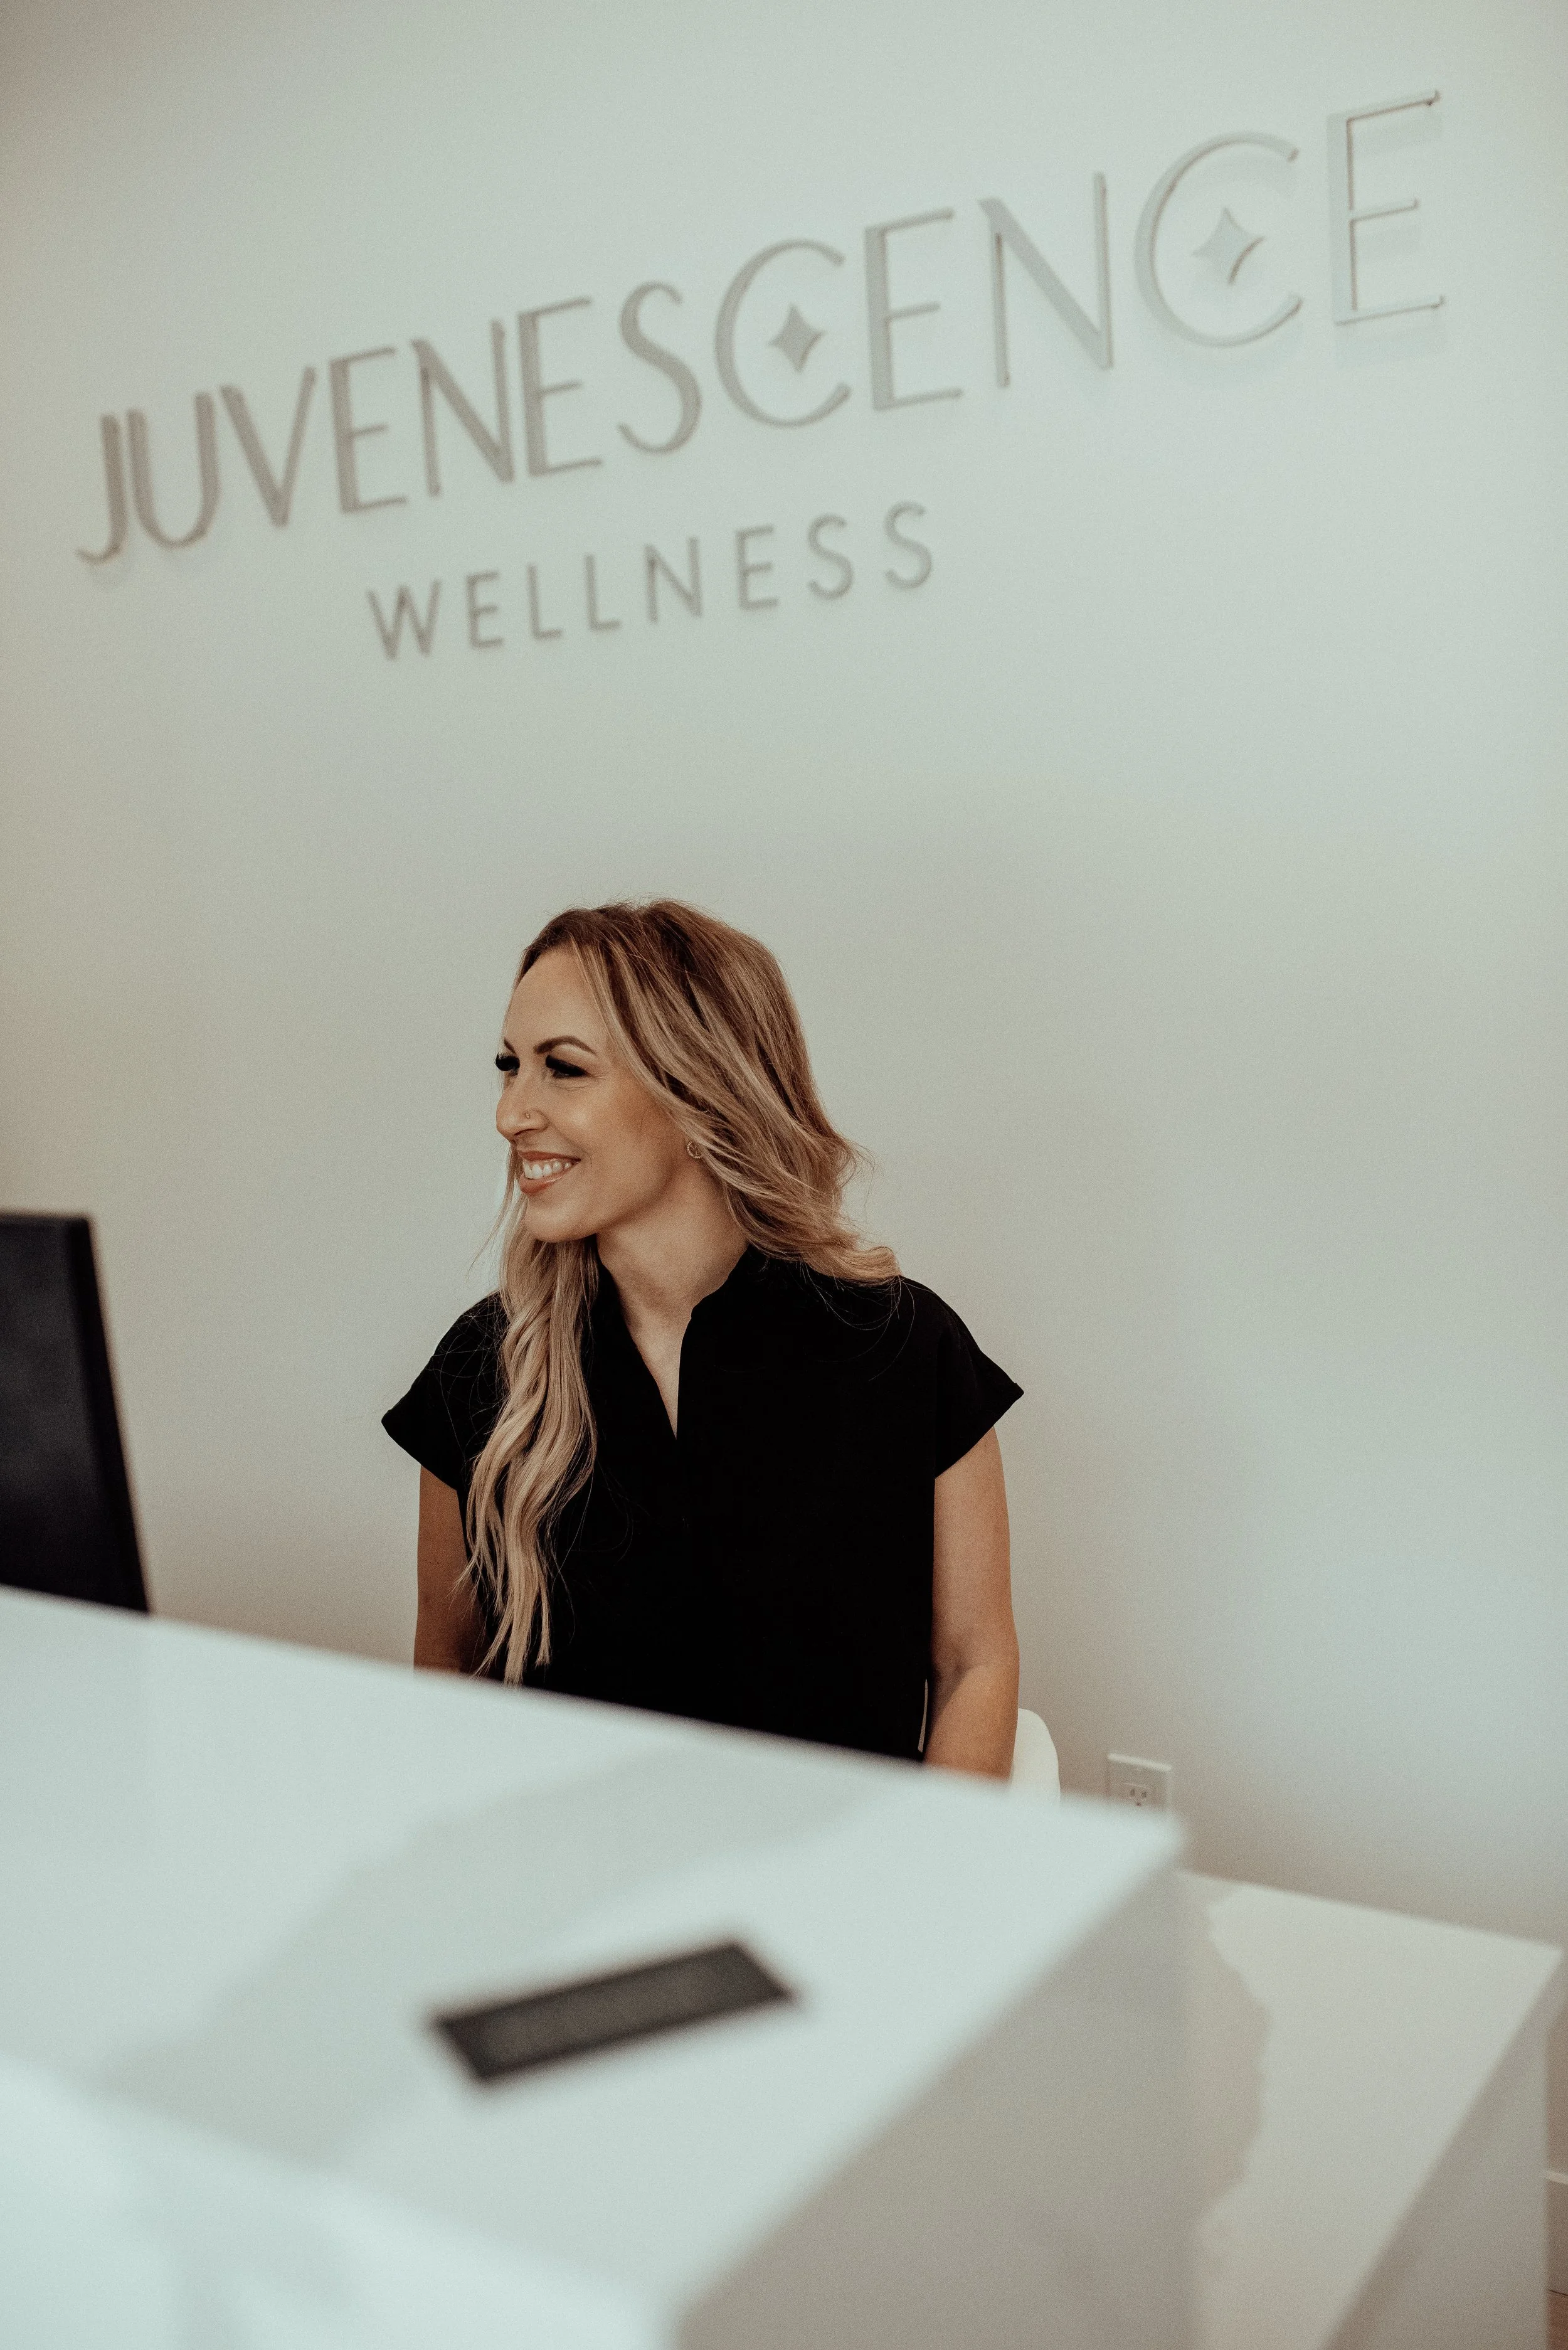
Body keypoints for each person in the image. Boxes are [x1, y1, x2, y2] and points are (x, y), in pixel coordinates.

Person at [383, 900, 1022, 1776]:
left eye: (563, 1068)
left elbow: (975, 1667)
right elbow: (451, 1672)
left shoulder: (907, 1351)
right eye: (510, 1067)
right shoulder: (480, 1369)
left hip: (846, 1859)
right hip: (578, 1858)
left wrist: (928, 1859)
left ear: (696, 1094)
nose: (510, 1114)